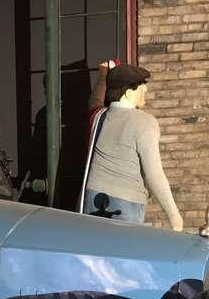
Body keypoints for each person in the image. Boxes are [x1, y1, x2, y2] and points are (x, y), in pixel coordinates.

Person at [78, 61, 183, 231]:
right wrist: (173, 215)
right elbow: (153, 174)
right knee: (123, 255)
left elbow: (95, 99)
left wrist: (103, 75)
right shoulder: (144, 122)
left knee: (96, 255)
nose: (145, 89)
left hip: (92, 198)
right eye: (141, 85)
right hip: (126, 204)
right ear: (127, 93)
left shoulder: (98, 117)